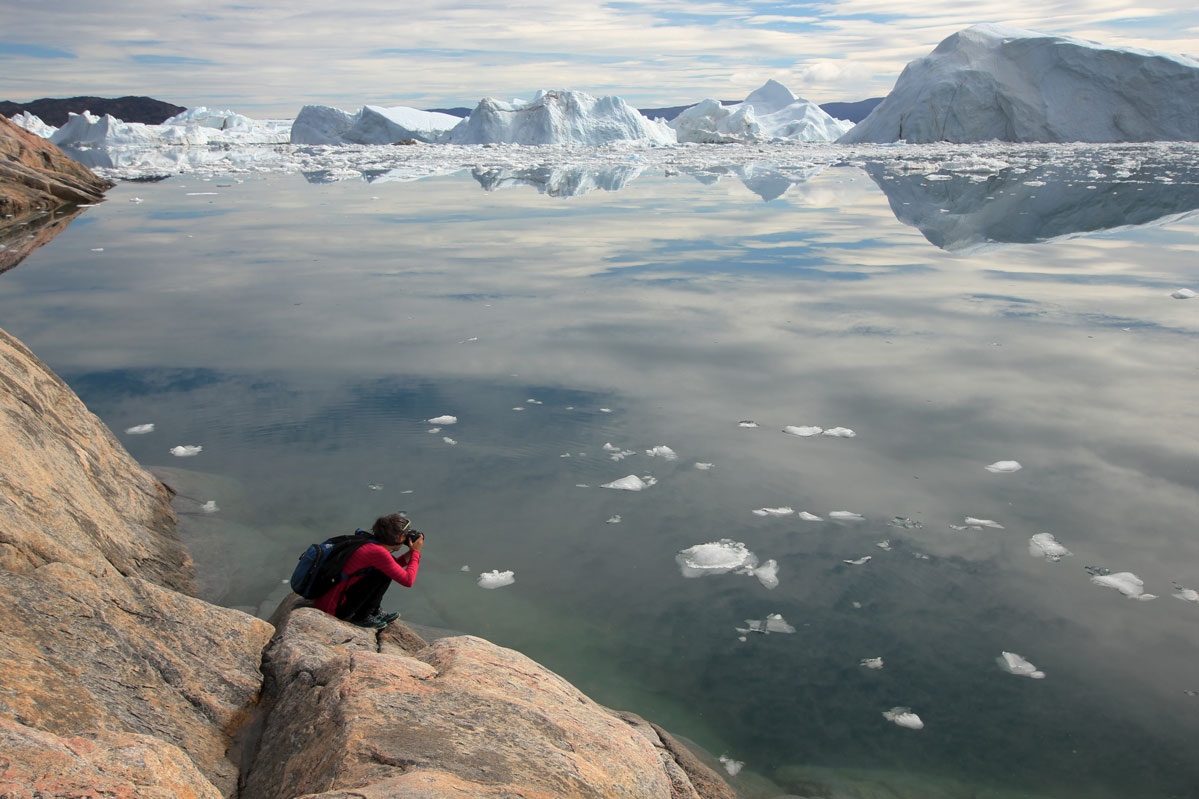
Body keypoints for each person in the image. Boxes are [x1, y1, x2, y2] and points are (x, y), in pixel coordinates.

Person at [313, 512, 423, 628]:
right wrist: (416, 553)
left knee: (385, 571)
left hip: (330, 600)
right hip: (335, 609)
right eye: (405, 536)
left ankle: (374, 611)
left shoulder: (370, 543)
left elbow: (393, 566)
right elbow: (408, 580)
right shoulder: (377, 552)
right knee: (381, 574)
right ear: (400, 537)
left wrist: (411, 552)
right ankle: (362, 616)